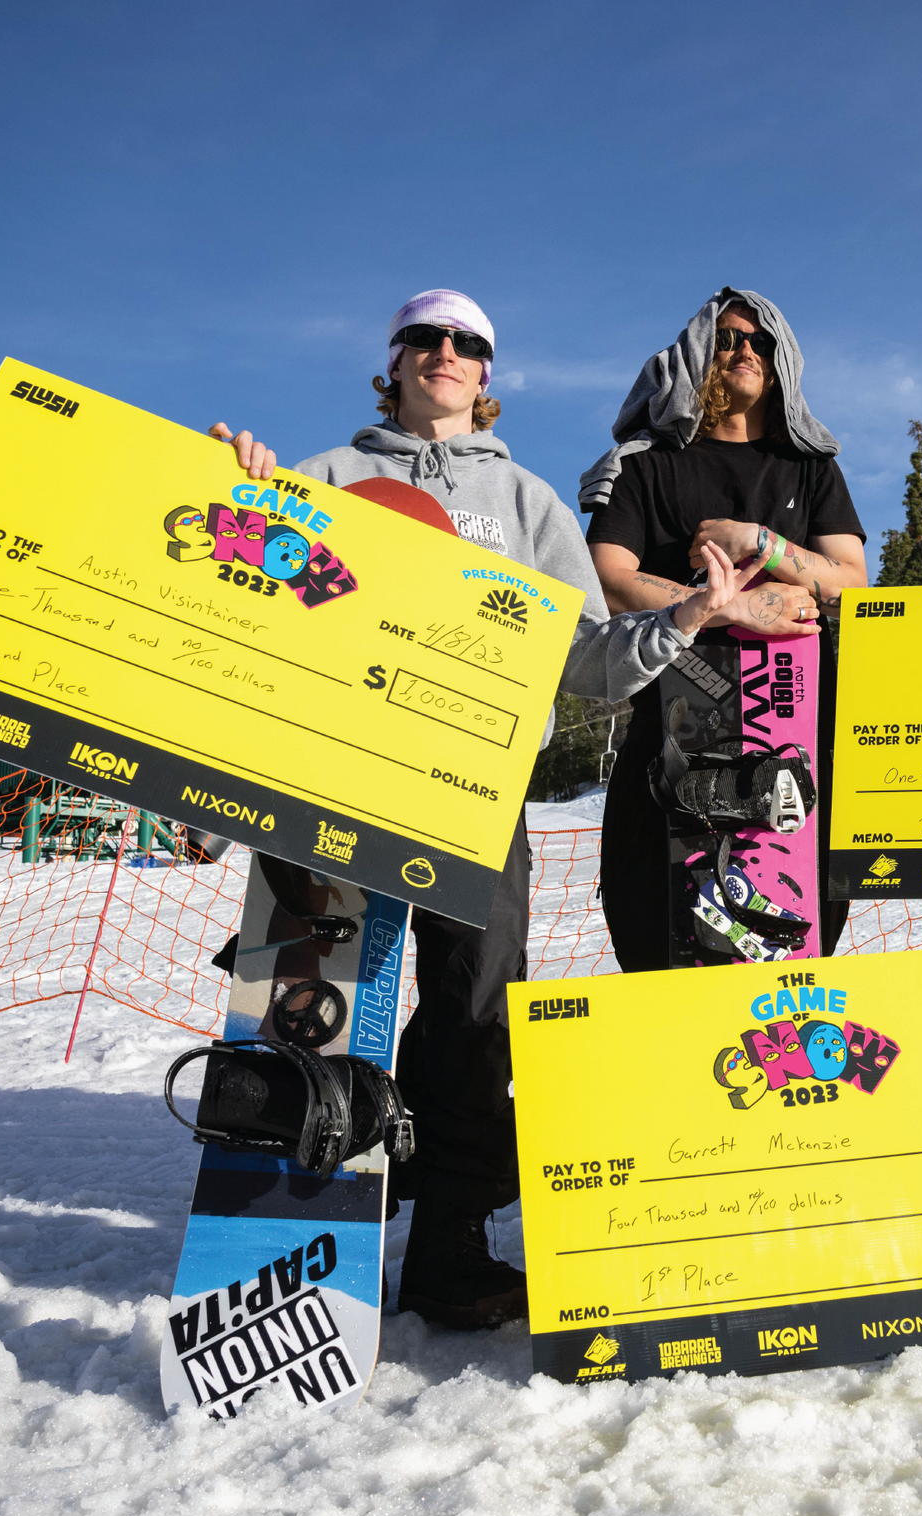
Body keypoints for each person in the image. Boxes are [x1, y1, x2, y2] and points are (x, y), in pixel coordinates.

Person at [208, 288, 744, 1328]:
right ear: (394, 359)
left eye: (466, 344)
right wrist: (242, 503)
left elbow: (587, 659)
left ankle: (450, 1239)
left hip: (472, 782)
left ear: (486, 375)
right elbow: (243, 597)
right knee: (303, 990)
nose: (443, 354)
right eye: (424, 338)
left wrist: (685, 615)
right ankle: (281, 1233)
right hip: (331, 769)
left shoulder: (529, 504)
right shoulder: (322, 476)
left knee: (474, 1005)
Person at [582, 288, 868, 972]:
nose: (744, 351)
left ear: (783, 363)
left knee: (790, 956)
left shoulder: (810, 467)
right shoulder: (646, 465)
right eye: (728, 339)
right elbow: (609, 577)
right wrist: (726, 606)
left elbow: (854, 584)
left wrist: (764, 543)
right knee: (660, 945)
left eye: (760, 342)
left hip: (794, 738)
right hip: (674, 735)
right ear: (695, 358)